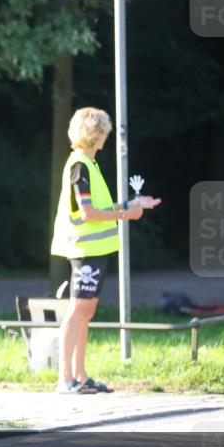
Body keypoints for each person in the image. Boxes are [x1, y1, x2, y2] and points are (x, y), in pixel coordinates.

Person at [50, 107, 161, 394]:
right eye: (104, 132)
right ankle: (65, 380)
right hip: (84, 249)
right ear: (96, 134)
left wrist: (131, 206)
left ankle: (81, 376)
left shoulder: (89, 164)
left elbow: (98, 208)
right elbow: (87, 212)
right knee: (77, 311)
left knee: (85, 312)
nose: (107, 137)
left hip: (95, 250)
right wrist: (125, 215)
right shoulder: (80, 166)